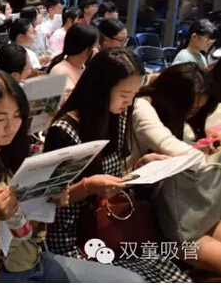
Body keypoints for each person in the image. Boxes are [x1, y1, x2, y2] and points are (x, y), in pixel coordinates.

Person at [0, 70, 144, 283]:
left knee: (132, 283)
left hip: (31, 257)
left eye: (17, 116)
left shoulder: (9, 149)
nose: (11, 127)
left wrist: (50, 197)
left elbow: (29, 223)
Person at [43, 48, 191, 282]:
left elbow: (112, 177)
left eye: (134, 94)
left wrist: (140, 168)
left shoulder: (116, 117)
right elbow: (48, 201)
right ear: (101, 89)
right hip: (71, 236)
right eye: (124, 94)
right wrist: (87, 187)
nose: (129, 102)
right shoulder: (64, 131)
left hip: (107, 224)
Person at [47, 23, 99, 99]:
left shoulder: (83, 67)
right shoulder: (60, 71)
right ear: (87, 49)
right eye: (96, 46)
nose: (97, 50)